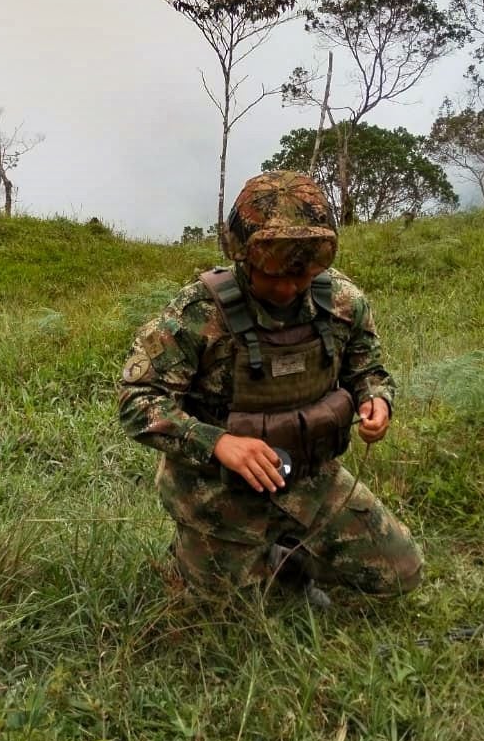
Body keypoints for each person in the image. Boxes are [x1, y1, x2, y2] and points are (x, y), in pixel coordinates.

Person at [118, 171, 424, 606]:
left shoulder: (341, 301)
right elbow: (137, 400)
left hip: (310, 477)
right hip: (217, 490)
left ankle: (288, 554)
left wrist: (376, 398)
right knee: (224, 609)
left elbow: (366, 365)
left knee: (401, 573)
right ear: (242, 257)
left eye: (302, 276)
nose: (286, 288)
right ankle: (211, 554)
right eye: (272, 275)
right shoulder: (197, 314)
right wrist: (218, 442)